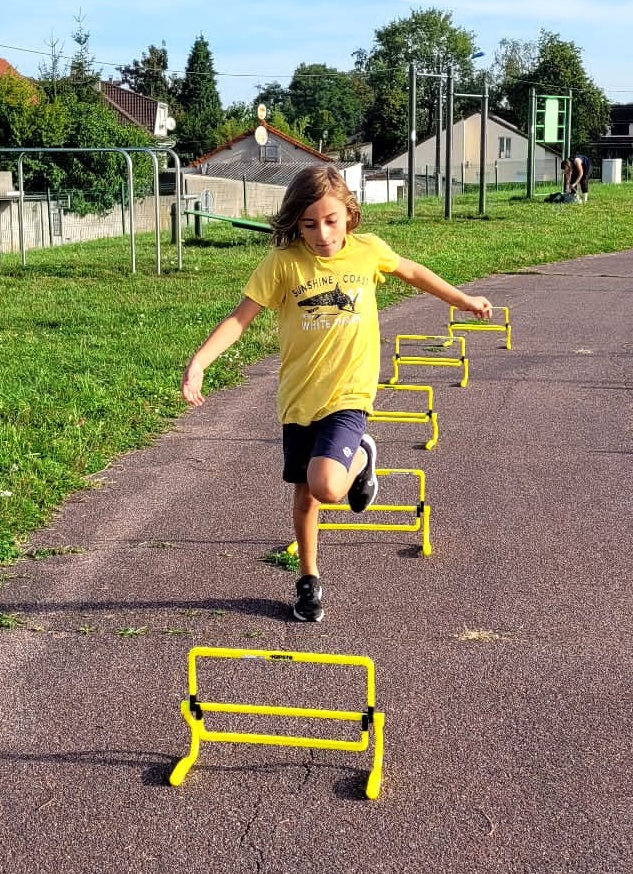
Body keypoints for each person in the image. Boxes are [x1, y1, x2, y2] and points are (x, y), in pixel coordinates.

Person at [181, 165, 492, 623]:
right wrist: (200, 362)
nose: (321, 234)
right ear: (295, 222)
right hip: (298, 398)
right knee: (305, 494)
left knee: (327, 485)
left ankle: (363, 455)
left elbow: (414, 272)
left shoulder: (367, 253)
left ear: (350, 215)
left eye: (330, 221)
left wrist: (462, 300)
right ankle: (309, 578)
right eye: (309, 224)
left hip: (349, 394)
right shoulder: (284, 264)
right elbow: (239, 318)